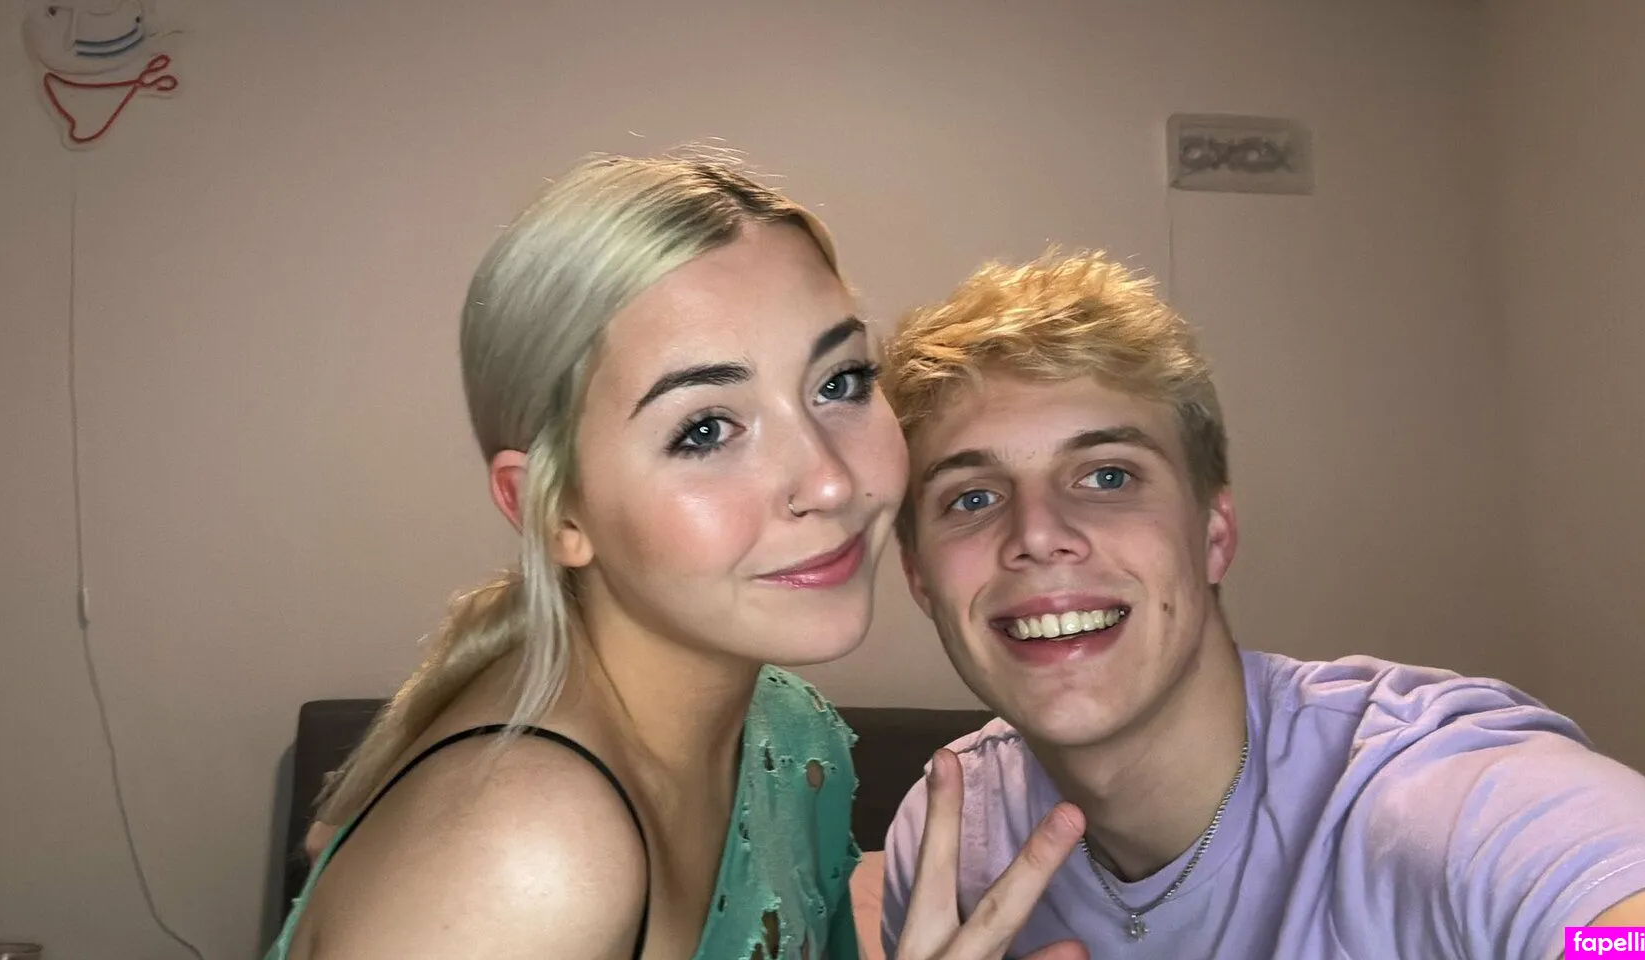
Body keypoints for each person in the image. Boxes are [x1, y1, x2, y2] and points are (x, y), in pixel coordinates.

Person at [268, 152, 1088, 960]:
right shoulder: (529, 857)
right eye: (705, 430)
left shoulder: (789, 736)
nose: (830, 481)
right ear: (553, 510)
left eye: (839, 382)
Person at [875, 250, 1645, 959]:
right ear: (919, 578)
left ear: (1214, 533)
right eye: (971, 498)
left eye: (1107, 476)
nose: (1037, 534)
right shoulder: (950, 832)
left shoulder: (1440, 797)